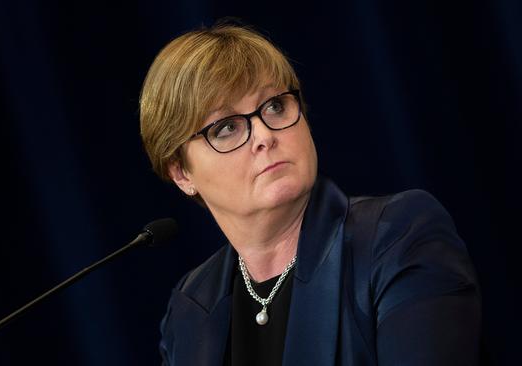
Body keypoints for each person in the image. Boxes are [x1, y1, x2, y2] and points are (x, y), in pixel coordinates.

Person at [139, 21, 482, 366]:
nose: (264, 135)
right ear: (181, 173)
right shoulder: (190, 308)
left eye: (274, 106)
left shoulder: (397, 236)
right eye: (227, 127)